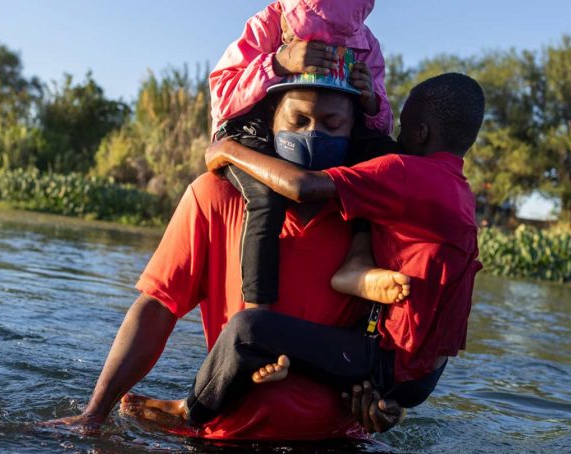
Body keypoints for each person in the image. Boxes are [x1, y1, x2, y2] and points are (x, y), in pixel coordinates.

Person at [41, 82, 403, 440]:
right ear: (270, 121)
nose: (313, 134)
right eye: (298, 120)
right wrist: (94, 414)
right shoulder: (214, 196)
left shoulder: (378, 219)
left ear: (353, 129)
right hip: (224, 436)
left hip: (338, 440)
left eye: (332, 124)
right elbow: (156, 307)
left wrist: (384, 401)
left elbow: (391, 338)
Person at [125, 73, 485, 427]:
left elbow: (301, 186)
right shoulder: (461, 195)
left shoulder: (407, 173)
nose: (394, 137)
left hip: (389, 360)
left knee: (249, 329)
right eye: (299, 120)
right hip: (424, 374)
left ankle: (190, 410)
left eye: (403, 127)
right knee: (324, 350)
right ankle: (338, 296)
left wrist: (227, 148)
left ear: (420, 133)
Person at [210, 0, 398, 311]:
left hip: (336, 138)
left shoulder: (367, 44)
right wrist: (277, 63)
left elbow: (382, 125)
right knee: (265, 199)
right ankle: (258, 309)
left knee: (383, 162)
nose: (328, 46)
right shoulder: (265, 25)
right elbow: (223, 98)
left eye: (340, 41)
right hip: (256, 133)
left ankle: (358, 259)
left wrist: (371, 101)